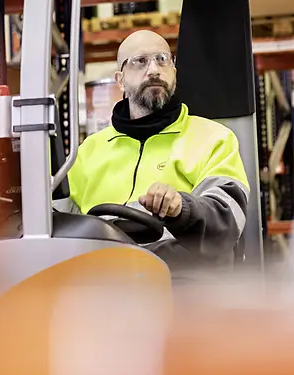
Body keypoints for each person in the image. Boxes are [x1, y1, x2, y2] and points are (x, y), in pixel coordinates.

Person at [67, 29, 250, 267]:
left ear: (173, 71)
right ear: (120, 79)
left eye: (162, 60)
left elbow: (226, 219)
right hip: (107, 282)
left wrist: (181, 208)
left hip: (186, 285)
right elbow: (54, 225)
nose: (153, 70)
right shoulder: (85, 152)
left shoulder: (213, 138)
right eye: (140, 61)